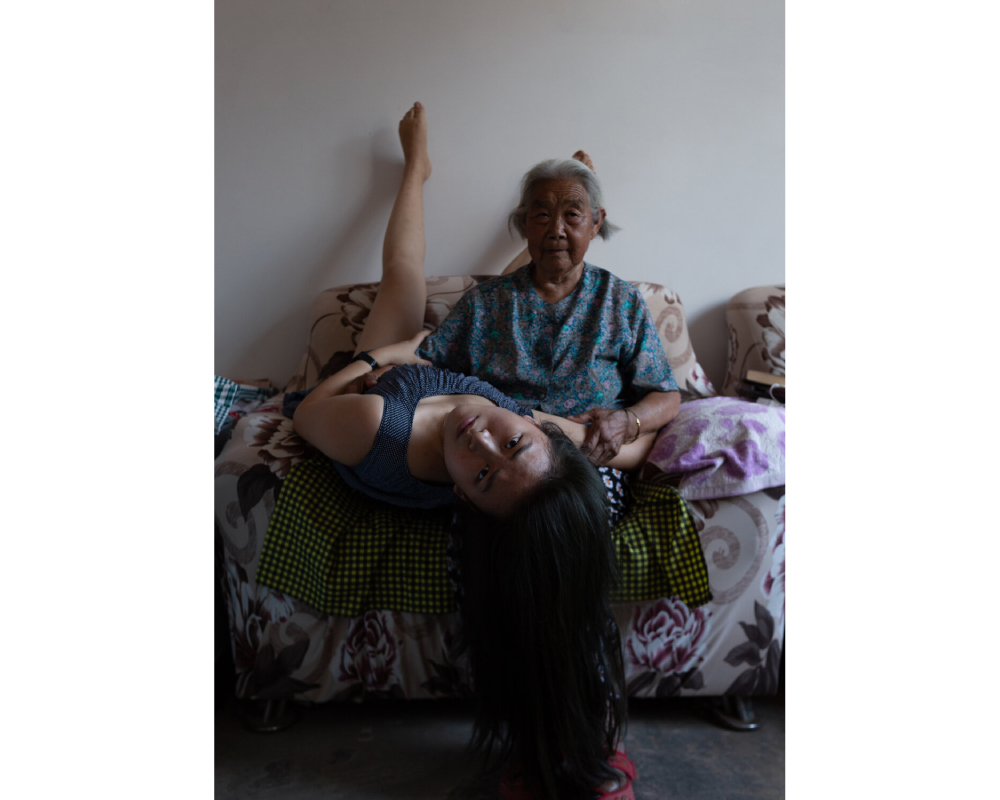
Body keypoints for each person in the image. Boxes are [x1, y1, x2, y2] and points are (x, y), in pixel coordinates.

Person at [292, 103, 640, 798]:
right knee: (405, 278)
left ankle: (423, 175)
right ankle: (418, 164)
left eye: (489, 464)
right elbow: (306, 415)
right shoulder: (384, 422)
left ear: (465, 492)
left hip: (405, 385)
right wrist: (367, 360)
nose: (485, 439)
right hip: (382, 387)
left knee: (407, 276)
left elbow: (606, 453)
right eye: (507, 443)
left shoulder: (507, 434)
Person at [416, 149, 682, 468]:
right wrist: (382, 369)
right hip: (505, 460)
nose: (556, 229)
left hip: (590, 463)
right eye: (542, 216)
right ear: (525, 224)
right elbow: (429, 367)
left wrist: (627, 421)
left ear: (596, 223)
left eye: (572, 215)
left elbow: (666, 395)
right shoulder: (484, 303)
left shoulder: (622, 302)